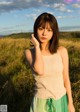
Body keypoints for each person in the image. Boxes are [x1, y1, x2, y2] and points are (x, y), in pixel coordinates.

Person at [25, 12, 75, 112]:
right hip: (41, 103)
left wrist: (70, 103)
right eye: (41, 29)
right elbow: (40, 71)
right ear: (35, 30)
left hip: (61, 100)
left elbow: (66, 78)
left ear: (54, 32)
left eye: (49, 30)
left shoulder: (61, 51)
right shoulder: (30, 53)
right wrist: (37, 47)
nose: (44, 33)